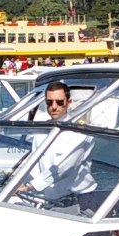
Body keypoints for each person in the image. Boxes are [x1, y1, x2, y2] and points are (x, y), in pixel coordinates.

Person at [13, 81, 98, 209]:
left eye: (59, 102)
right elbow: (35, 166)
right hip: (50, 199)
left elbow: (65, 168)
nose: (53, 107)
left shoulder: (81, 133)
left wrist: (30, 187)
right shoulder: (41, 132)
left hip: (79, 200)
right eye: (49, 102)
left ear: (68, 102)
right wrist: (17, 184)